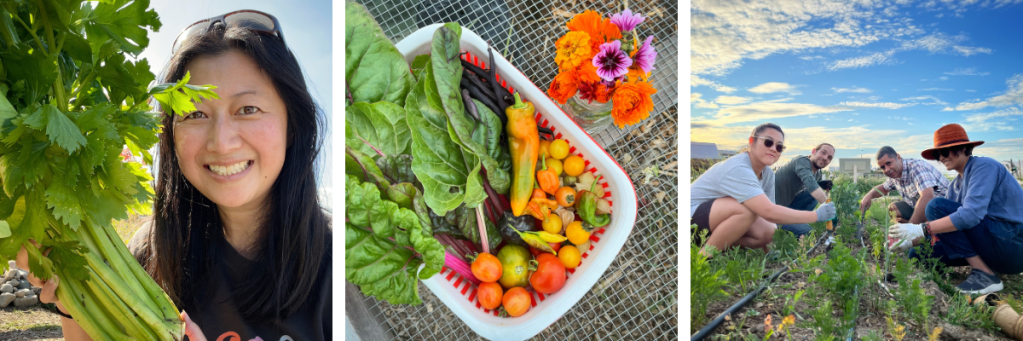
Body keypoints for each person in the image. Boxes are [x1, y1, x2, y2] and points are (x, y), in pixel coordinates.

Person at [16, 10, 331, 340]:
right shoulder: (149, 251)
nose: (222, 143)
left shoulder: (334, 270)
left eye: (248, 109)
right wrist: (73, 295)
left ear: (292, 124)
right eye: (195, 113)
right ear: (171, 136)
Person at [888, 124, 1023, 294]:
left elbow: (970, 216)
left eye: (945, 152)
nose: (941, 158)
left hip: (1012, 244)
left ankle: (985, 275)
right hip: (991, 243)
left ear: (964, 148)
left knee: (935, 206)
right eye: (938, 155)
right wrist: (907, 241)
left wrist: (920, 228)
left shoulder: (984, 166)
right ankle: (982, 268)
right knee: (917, 253)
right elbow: (943, 226)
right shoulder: (955, 185)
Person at [691, 123, 837, 256]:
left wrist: (770, 249)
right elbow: (767, 211)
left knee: (769, 232)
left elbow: (769, 217)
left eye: (779, 147)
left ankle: (714, 243)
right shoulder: (739, 167)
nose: (773, 148)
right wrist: (817, 216)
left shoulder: (767, 173)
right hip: (690, 219)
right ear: (751, 141)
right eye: (768, 142)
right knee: (748, 210)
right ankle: (702, 259)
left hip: (712, 222)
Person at [859, 146, 950, 225]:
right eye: (882, 167)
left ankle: (919, 229)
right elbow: (883, 188)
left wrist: (911, 228)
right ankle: (917, 226)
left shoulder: (916, 168)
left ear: (898, 157)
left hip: (944, 210)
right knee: (893, 208)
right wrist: (869, 195)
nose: (886, 170)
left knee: (926, 209)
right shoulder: (895, 175)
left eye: (889, 163)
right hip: (924, 208)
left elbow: (928, 196)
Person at [773, 143, 837, 237]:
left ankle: (798, 222)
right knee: (808, 232)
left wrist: (820, 185)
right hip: (773, 212)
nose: (825, 158)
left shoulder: (817, 174)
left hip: (788, 208)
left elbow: (809, 188)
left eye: (829, 158)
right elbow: (811, 185)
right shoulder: (801, 161)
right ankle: (782, 226)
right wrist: (831, 212)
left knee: (814, 194)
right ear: (814, 151)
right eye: (823, 153)